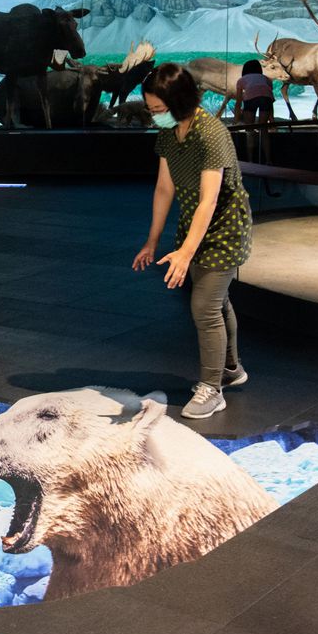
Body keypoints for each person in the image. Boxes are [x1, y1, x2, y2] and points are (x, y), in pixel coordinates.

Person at [133, 63, 253, 420]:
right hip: (194, 224)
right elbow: (164, 188)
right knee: (215, 299)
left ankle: (212, 388)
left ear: (180, 101)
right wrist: (152, 241)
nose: (155, 115)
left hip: (225, 227)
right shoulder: (169, 134)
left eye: (159, 109)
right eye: (151, 109)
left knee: (204, 305)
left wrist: (185, 253)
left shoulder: (211, 134)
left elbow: (209, 200)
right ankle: (231, 368)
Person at [232, 59, 274, 162]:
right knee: (263, 129)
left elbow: (238, 102)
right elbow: (269, 97)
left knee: (249, 130)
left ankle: (250, 161)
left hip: (251, 98)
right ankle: (268, 161)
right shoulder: (267, 79)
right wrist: (271, 118)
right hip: (266, 99)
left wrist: (236, 118)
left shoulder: (241, 80)